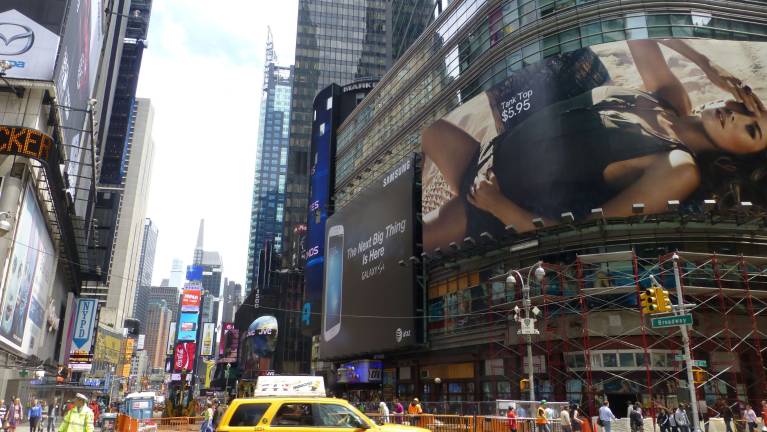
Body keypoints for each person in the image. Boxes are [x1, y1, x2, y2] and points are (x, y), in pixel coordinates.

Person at [422, 38, 767, 252]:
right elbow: (637, 18)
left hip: (494, 201)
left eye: (751, 131)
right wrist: (707, 64)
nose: (736, 116)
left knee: (409, 244)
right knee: (432, 132)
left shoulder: (679, 167)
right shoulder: (673, 99)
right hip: (490, 156)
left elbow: (585, 234)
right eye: (746, 108)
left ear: (736, 160)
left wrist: (498, 207)